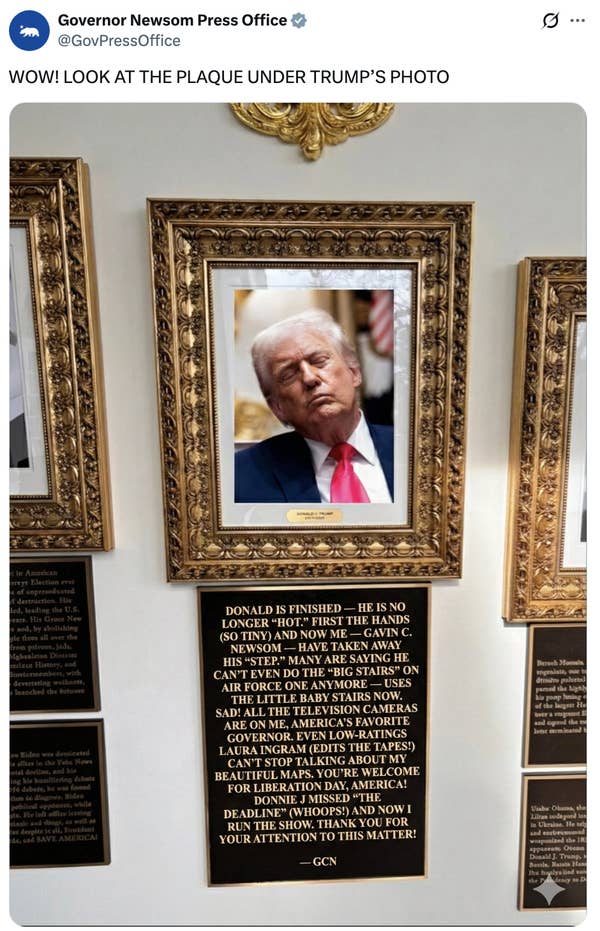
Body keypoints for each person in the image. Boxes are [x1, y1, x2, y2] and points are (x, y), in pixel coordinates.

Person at [234, 310, 393, 503]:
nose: (309, 378)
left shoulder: (416, 448)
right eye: (289, 374)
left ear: (354, 373)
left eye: (319, 361)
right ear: (276, 407)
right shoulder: (239, 479)